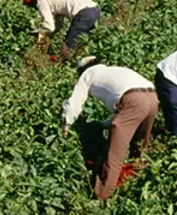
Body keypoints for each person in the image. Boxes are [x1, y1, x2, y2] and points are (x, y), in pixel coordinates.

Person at [61, 56, 158, 200]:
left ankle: (102, 196)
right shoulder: (113, 71)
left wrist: (66, 125)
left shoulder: (87, 74)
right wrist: (103, 125)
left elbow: (74, 103)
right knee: (140, 146)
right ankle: (138, 185)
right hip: (152, 98)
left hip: (133, 100)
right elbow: (126, 112)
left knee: (114, 154)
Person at [22, 0, 99, 58]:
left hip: (84, 14)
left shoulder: (42, 1)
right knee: (84, 45)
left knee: (69, 48)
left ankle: (67, 67)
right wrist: (49, 36)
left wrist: (39, 33)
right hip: (95, 10)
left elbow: (49, 27)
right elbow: (58, 25)